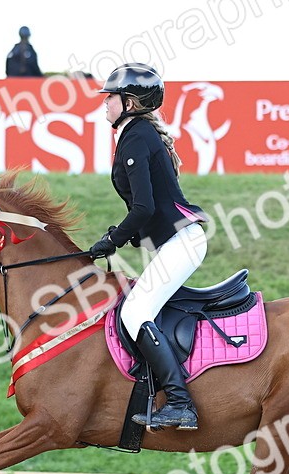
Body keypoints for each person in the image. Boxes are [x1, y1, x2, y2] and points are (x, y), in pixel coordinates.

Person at [88, 63, 208, 432]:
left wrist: (112, 240)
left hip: (182, 242)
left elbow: (145, 208)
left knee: (135, 313)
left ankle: (180, 403)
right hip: (177, 242)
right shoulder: (135, 133)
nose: (105, 104)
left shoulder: (136, 136)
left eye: (111, 97)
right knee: (137, 309)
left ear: (131, 102)